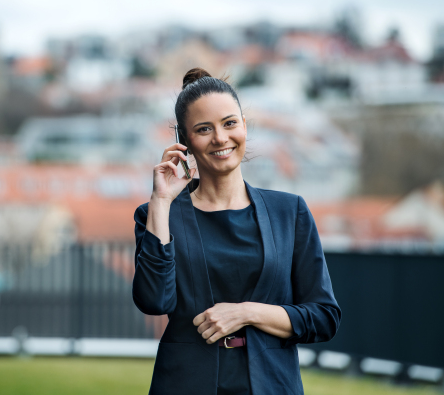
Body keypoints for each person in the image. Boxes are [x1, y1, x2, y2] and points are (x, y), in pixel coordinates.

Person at [132, 67, 341, 395]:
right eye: (204, 129)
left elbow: (324, 317)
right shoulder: (158, 214)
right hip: (185, 384)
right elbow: (154, 300)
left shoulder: (290, 212)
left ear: (244, 125)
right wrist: (161, 200)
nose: (220, 138)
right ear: (184, 141)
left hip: (273, 385)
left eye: (230, 123)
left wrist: (246, 313)